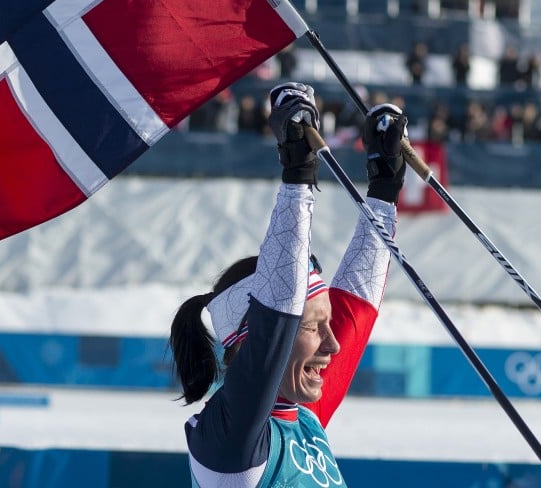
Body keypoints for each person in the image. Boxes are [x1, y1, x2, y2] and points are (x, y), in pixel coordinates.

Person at [170, 82, 406, 487]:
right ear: (250, 338)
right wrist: (297, 176)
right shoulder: (229, 441)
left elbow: (354, 310)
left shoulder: (304, 420)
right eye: (313, 327)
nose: (331, 344)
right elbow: (277, 318)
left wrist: (383, 191)